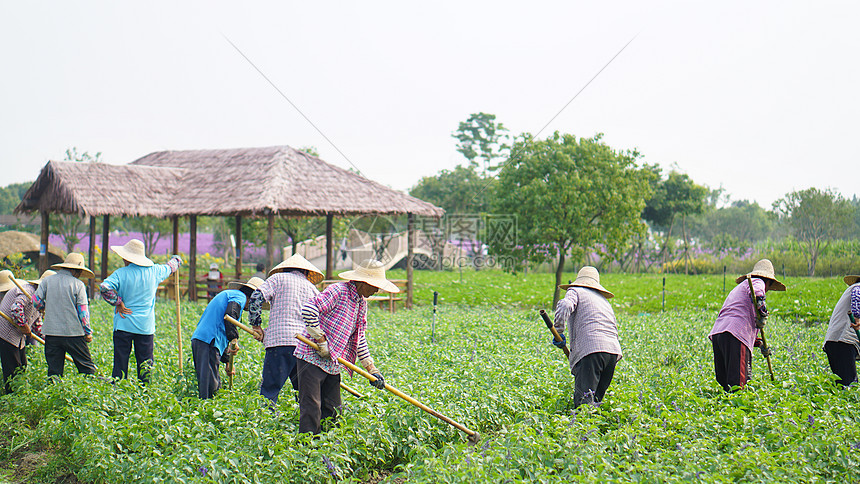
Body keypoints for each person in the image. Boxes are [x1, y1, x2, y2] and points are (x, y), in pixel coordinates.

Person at [295, 259, 398, 434]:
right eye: (375, 286)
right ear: (364, 282)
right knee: (312, 407)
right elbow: (309, 309)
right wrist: (321, 341)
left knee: (333, 409)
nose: (377, 290)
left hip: (333, 362)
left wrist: (371, 369)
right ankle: (307, 451)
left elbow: (359, 338)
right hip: (311, 359)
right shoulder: (338, 291)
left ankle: (328, 449)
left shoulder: (361, 303)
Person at [99, 239, 182, 384]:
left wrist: (117, 301)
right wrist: (177, 259)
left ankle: (118, 389)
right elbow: (172, 266)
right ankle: (144, 392)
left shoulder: (120, 273)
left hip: (123, 324)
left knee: (120, 364)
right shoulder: (155, 271)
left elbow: (104, 287)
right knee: (145, 365)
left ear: (126, 258)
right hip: (145, 327)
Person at [249, 254, 323, 405]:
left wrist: (256, 325)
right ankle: (303, 424)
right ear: (307, 273)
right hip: (304, 347)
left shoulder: (278, 279)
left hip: (279, 342)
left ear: (285, 269)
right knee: (302, 391)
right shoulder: (312, 289)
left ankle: (266, 421)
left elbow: (256, 297)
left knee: (270, 390)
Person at [708, 259, 786, 392]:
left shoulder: (740, 288)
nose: (767, 290)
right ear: (768, 282)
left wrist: (760, 343)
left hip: (719, 333)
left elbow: (741, 316)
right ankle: (737, 410)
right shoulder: (757, 282)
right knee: (738, 384)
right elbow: (758, 293)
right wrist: (762, 311)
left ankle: (724, 410)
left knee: (725, 384)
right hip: (735, 334)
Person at [552, 266, 623, 408]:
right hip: (612, 354)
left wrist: (559, 331)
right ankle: (595, 430)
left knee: (583, 405)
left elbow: (565, 305)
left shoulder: (575, 291)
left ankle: (582, 430)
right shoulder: (604, 301)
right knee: (595, 403)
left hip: (591, 351)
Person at [191, 276, 264, 399]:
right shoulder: (239, 297)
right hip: (208, 340)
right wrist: (234, 339)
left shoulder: (230, 294)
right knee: (210, 387)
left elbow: (223, 328)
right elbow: (230, 316)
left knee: (209, 383)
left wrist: (227, 361)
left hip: (205, 341)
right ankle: (208, 414)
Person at [32, 253, 98, 377]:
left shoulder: (47, 281)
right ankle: (91, 391)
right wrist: (88, 332)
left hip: (52, 333)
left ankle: (54, 393)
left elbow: (35, 301)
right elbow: (83, 312)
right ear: (75, 271)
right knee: (87, 368)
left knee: (54, 372)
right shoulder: (78, 285)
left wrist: (44, 308)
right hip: (73, 333)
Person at [0, 270, 53, 393]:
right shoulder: (28, 291)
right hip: (7, 333)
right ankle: (11, 400)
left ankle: (18, 395)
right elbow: (16, 309)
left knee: (22, 366)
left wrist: (51, 340)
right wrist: (23, 325)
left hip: (18, 337)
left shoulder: (39, 299)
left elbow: (38, 324)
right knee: (12, 369)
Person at [822, 274, 860, 386]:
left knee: (843, 384)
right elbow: (857, 296)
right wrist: (857, 317)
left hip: (839, 343)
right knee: (849, 385)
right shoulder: (858, 287)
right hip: (842, 341)